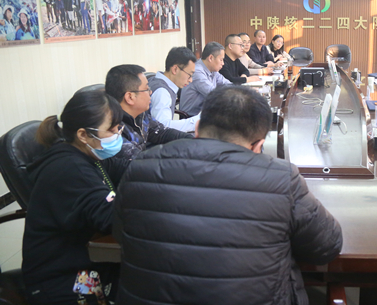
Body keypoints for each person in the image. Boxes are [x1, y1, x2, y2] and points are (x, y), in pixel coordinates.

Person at [113, 85, 343, 305]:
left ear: (197, 129)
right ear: (259, 146)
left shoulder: (140, 167)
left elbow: (120, 232)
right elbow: (326, 246)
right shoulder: (282, 178)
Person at [22, 90, 129, 305]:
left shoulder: (84, 153)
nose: (117, 134)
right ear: (83, 135)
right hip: (62, 279)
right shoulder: (70, 168)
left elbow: (126, 168)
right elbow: (111, 218)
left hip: (85, 261)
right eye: (111, 129)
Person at [105, 64, 192, 159]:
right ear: (130, 97)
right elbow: (139, 162)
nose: (150, 92)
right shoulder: (113, 130)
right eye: (146, 89)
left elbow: (162, 132)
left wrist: (193, 140)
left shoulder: (140, 116)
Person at [149, 47, 200, 132]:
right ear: (175, 69)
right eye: (189, 75)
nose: (190, 80)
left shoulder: (155, 80)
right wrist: (198, 121)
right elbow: (164, 127)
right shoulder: (162, 92)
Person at [180, 42, 232, 115]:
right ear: (210, 58)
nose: (223, 63)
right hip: (192, 116)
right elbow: (213, 94)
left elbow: (228, 84)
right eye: (221, 60)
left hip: (206, 112)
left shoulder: (213, 70)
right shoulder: (197, 72)